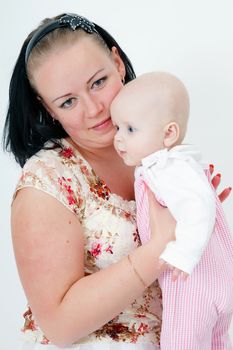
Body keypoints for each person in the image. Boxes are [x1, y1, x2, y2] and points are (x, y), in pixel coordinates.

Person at [2, 12, 230, 350]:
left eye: (98, 82)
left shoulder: (149, 147)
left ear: (117, 62)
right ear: (47, 108)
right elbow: (60, 326)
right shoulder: (47, 183)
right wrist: (162, 246)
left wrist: (199, 212)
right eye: (68, 101)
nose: (94, 108)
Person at [111, 71, 233, 349]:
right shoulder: (181, 163)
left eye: (130, 129)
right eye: (117, 127)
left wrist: (183, 254)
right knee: (217, 342)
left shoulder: (165, 168)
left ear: (168, 134)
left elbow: (200, 207)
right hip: (217, 279)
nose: (118, 139)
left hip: (191, 284)